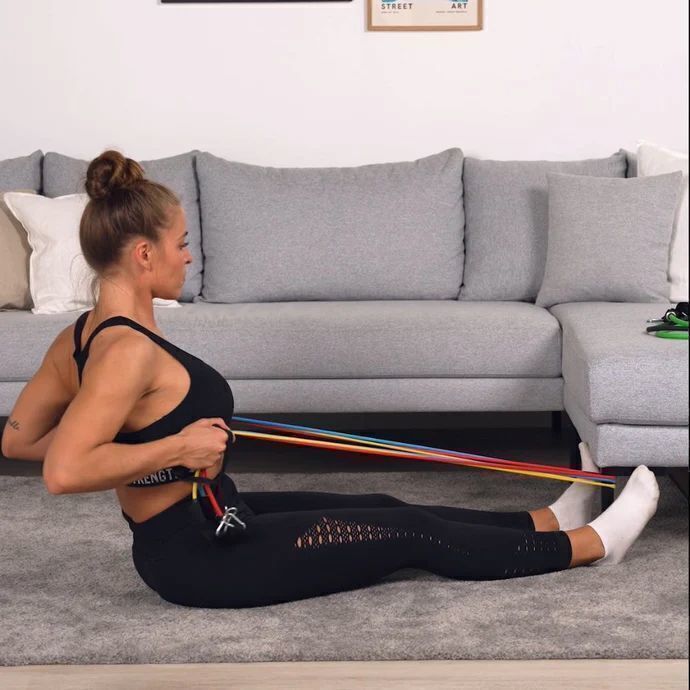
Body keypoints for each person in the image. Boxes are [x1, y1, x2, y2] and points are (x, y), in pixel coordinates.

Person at [21, 150, 663, 608]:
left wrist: (138, 454)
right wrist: (175, 449)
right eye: (181, 244)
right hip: (198, 557)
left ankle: (546, 518)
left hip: (215, 515)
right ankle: (591, 545)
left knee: (385, 508)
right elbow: (63, 471)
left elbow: (20, 441)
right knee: (408, 537)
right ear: (143, 255)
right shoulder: (125, 351)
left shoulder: (76, 339)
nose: (189, 257)